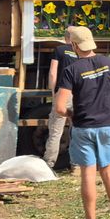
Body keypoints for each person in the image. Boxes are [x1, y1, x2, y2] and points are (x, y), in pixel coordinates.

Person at [55, 26, 110, 219]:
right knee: (108, 171)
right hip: (108, 127)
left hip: (84, 128)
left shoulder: (71, 70)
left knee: (88, 174)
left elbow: (59, 108)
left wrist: (71, 114)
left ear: (74, 46)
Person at [43, 30, 79, 168]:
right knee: (76, 129)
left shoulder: (59, 50)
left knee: (56, 131)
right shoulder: (80, 51)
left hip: (63, 93)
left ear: (65, 38)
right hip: (79, 94)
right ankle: (76, 165)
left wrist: (53, 92)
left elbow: (53, 73)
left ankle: (48, 164)